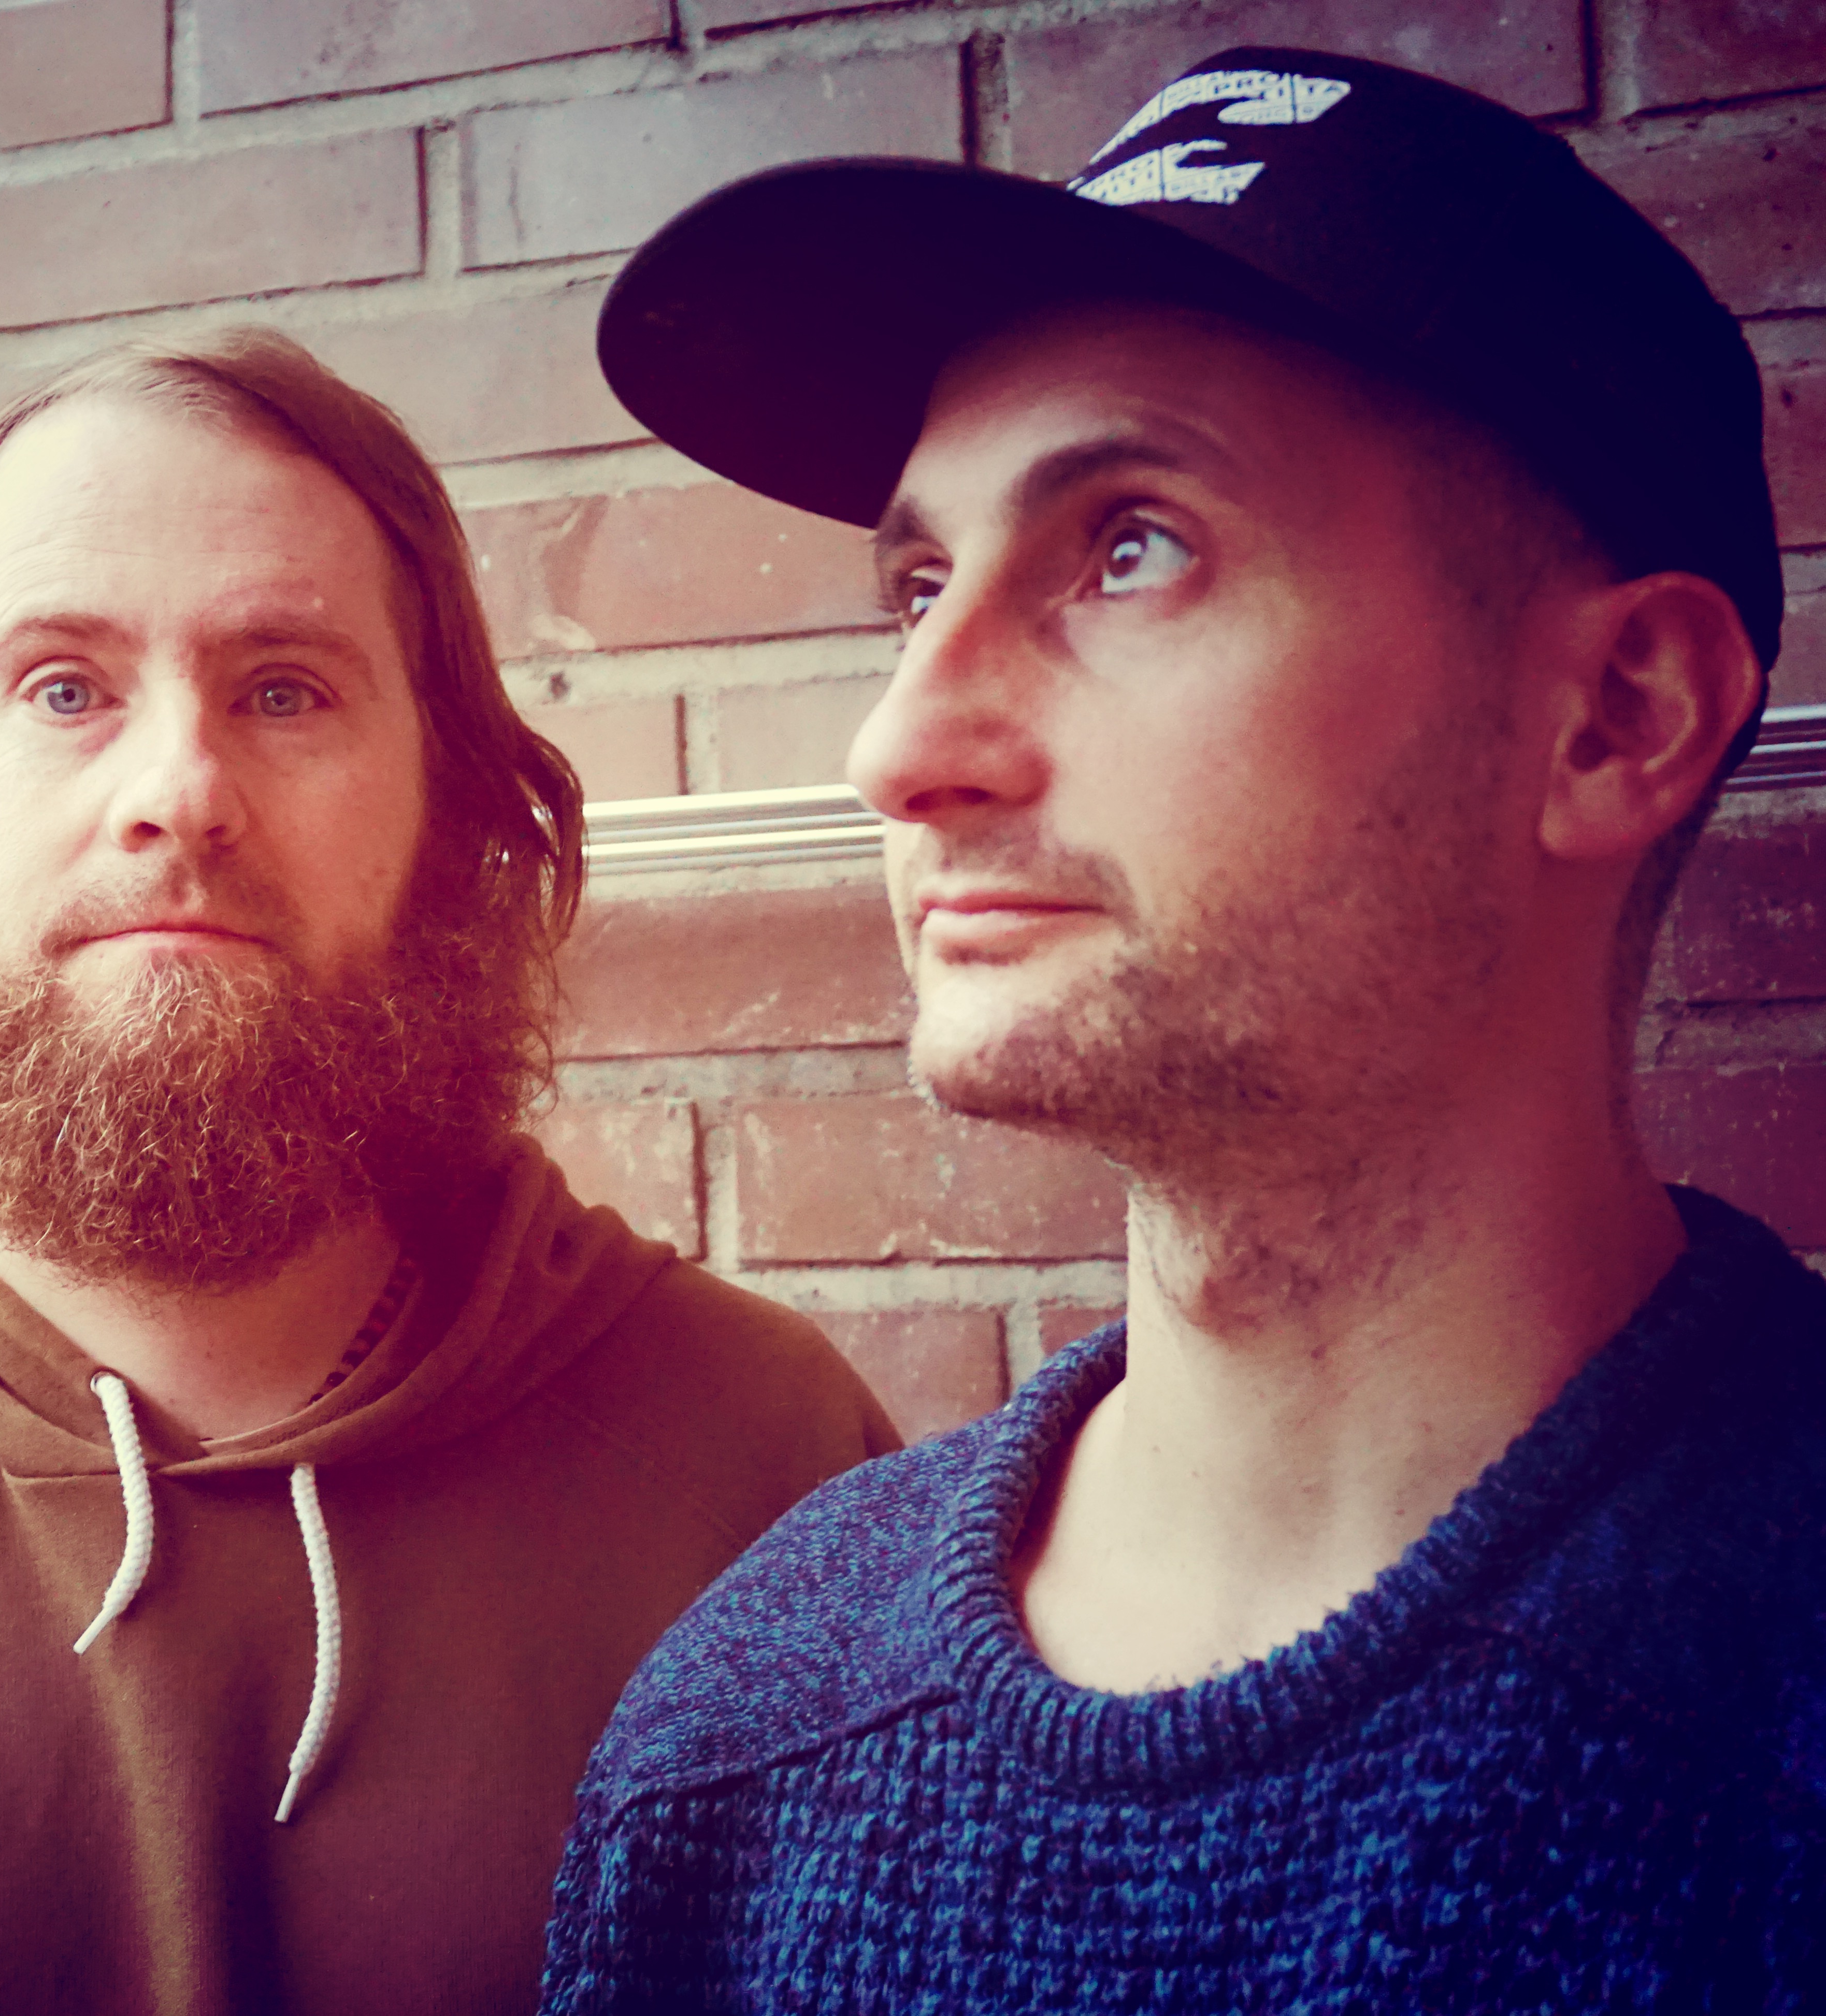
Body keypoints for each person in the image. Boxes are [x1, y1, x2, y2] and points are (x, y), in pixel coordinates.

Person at [542, 47, 1825, 2009]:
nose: (900, 743)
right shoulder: (736, 1743)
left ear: (1617, 716)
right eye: (918, 587)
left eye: (1130, 545)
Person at [0, 327, 897, 2016]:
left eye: (285, 689)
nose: (179, 793)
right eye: (63, 688)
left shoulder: (778, 1472)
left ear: (448, 810)